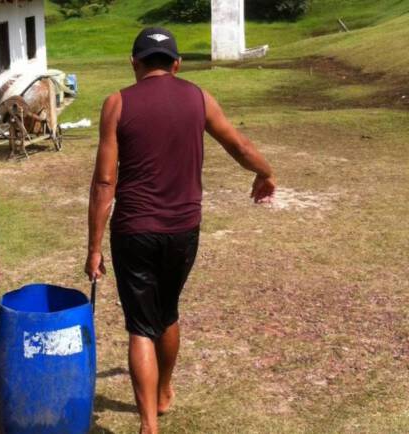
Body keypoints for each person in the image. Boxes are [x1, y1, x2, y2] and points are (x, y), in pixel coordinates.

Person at [85, 27, 275, 434]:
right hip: (183, 229)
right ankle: (165, 390)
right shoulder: (198, 97)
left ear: (134, 63)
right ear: (176, 64)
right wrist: (266, 173)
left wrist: (93, 248)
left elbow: (104, 182)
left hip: (133, 230)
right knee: (167, 312)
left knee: (140, 325)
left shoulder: (117, 103)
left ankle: (149, 425)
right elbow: (238, 144)